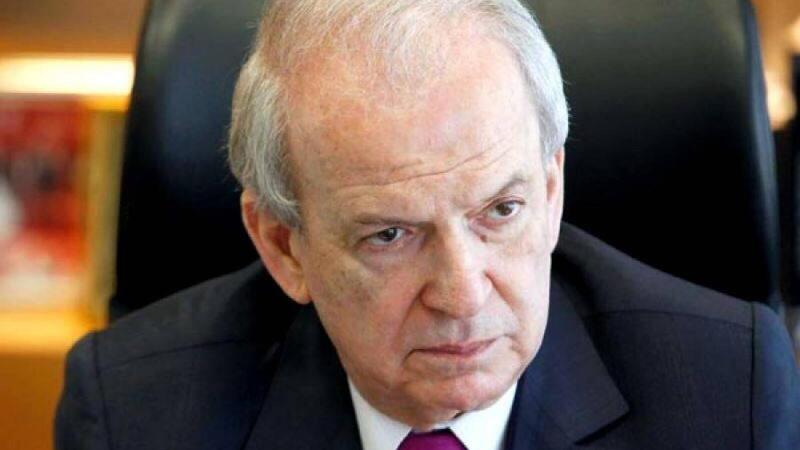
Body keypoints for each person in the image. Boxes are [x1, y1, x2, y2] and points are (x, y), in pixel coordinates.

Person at [55, 1, 800, 449]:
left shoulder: (725, 390)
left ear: (551, 191)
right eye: (390, 235)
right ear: (284, 246)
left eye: (500, 211)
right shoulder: (134, 415)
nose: (463, 293)